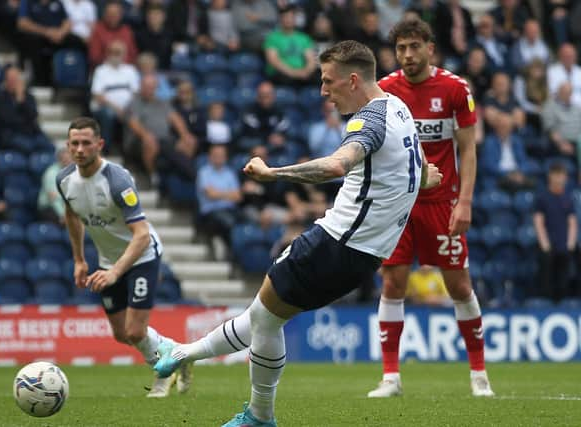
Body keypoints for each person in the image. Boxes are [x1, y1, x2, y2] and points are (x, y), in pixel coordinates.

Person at [153, 40, 442, 426]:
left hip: (334, 243)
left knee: (265, 320)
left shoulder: (368, 120)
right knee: (264, 317)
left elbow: (339, 164)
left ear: (353, 79)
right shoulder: (400, 108)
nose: (323, 92)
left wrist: (274, 173)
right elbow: (417, 166)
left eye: (328, 81)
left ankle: (257, 415)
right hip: (366, 257)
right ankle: (185, 354)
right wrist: (423, 177)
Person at [371, 18, 494, 398]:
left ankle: (479, 375)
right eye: (401, 48)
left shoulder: (455, 89)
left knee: (458, 285)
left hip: (442, 203)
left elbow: (467, 149)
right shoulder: (386, 91)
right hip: (399, 204)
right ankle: (390, 377)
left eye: (413, 47)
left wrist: (465, 202)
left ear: (430, 49)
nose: (407, 55)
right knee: (393, 283)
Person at [57, 116, 193, 398]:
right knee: (120, 333)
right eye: (74, 144)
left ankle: (163, 373)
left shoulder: (117, 180)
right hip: (109, 263)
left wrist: (115, 272)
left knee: (134, 330)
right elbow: (71, 216)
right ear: (68, 146)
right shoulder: (65, 181)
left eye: (86, 143)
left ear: (99, 144)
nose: (80, 149)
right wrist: (79, 259)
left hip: (141, 255)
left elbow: (141, 234)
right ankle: (179, 353)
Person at [533, 162, 577, 302]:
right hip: (548, 246)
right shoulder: (542, 197)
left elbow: (572, 222)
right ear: (550, 176)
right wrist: (545, 244)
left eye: (562, 175)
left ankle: (563, 304)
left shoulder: (568, 198)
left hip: (563, 245)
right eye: (557, 175)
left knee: (563, 280)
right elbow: (538, 221)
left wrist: (570, 243)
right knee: (547, 281)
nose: (559, 179)